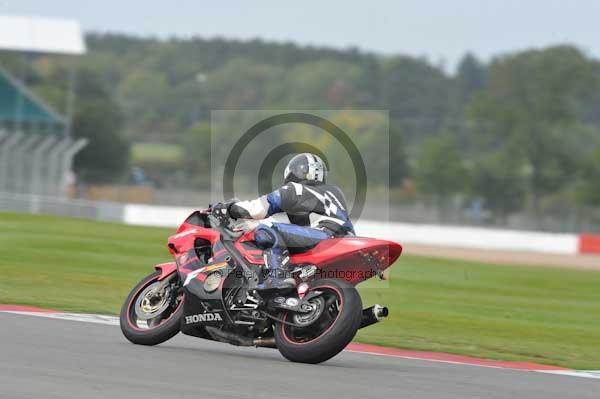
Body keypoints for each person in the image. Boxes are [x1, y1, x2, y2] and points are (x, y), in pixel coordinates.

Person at [212, 153, 354, 289]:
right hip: (347, 239)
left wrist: (229, 208)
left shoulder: (296, 189)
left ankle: (278, 278)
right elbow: (301, 227)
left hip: (326, 236)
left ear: (294, 171)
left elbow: (257, 210)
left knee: (268, 230)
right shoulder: (333, 191)